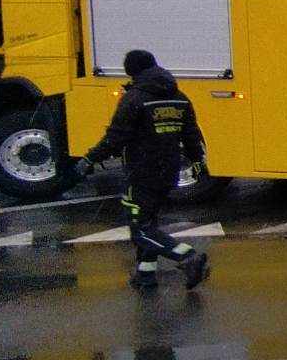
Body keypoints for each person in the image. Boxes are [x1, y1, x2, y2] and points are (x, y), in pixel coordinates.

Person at [76, 49, 210, 291]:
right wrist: (198, 163)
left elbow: (116, 137)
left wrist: (89, 158)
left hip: (141, 173)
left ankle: (188, 257)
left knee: (140, 230)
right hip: (168, 172)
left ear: (132, 71)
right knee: (149, 223)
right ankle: (145, 276)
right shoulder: (179, 97)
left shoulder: (135, 99)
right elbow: (192, 135)